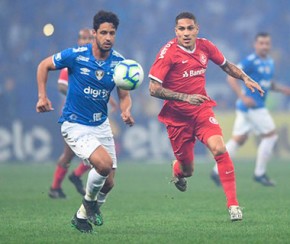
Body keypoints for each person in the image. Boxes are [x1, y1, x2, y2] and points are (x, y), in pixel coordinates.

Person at [149, 12, 264, 221]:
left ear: (196, 29)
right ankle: (178, 170)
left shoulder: (205, 46)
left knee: (220, 148)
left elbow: (226, 65)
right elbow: (153, 88)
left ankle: (233, 205)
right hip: (177, 118)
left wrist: (246, 78)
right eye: (181, 29)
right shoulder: (168, 54)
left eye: (190, 28)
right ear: (176, 31)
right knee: (187, 169)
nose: (186, 33)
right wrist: (185, 97)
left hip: (201, 110)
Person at [36, 10, 134, 233]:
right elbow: (43, 66)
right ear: (94, 33)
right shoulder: (76, 55)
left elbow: (125, 95)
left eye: (112, 33)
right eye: (104, 33)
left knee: (109, 183)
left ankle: (84, 213)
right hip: (75, 123)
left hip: (100, 124)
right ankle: (87, 209)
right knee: (103, 164)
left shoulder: (119, 63)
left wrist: (126, 111)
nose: (108, 37)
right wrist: (42, 96)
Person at [211, 32, 290, 187]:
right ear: (255, 45)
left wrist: (282, 89)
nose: (264, 46)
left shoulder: (270, 63)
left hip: (247, 108)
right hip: (253, 106)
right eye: (261, 43)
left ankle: (215, 171)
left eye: (267, 43)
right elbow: (230, 77)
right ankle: (259, 173)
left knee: (238, 140)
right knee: (271, 136)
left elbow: (267, 84)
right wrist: (242, 96)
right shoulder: (250, 61)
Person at [49, 28, 118, 199]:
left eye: (89, 37)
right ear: (78, 40)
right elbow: (61, 86)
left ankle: (72, 178)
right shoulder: (74, 61)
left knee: (98, 154)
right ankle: (56, 186)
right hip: (74, 117)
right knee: (69, 154)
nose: (86, 41)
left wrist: (107, 99)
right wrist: (80, 94)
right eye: (83, 38)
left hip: (93, 116)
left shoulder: (97, 61)